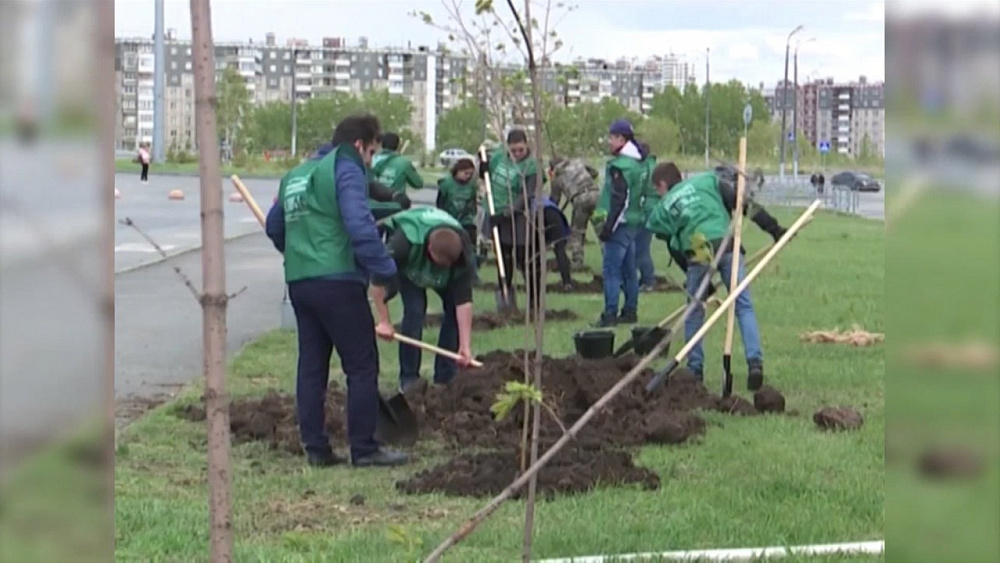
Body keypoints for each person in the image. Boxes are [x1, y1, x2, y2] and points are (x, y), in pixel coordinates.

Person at [264, 113, 408, 468]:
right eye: (371, 153)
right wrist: (386, 269)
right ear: (359, 145)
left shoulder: (297, 175)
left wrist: (300, 254)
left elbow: (274, 226)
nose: (370, 162)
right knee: (361, 365)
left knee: (312, 366)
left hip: (301, 281)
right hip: (338, 280)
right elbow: (359, 224)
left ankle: (315, 447)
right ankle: (364, 448)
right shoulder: (345, 166)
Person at [645, 161, 788, 391]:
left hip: (698, 251)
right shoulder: (707, 181)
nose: (659, 195)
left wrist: (701, 282)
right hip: (728, 246)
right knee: (743, 305)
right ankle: (755, 363)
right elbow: (744, 206)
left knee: (694, 311)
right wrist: (775, 230)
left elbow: (674, 246)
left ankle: (695, 369)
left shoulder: (662, 210)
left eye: (657, 190)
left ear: (662, 184)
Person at [370, 207, 477, 392]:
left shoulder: (464, 254)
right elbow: (378, 280)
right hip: (411, 268)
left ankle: (446, 376)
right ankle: (409, 378)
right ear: (429, 249)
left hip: (446, 272)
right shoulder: (403, 243)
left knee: (452, 312)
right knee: (415, 311)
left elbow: (463, 301)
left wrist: (465, 346)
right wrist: (384, 321)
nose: (439, 269)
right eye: (437, 264)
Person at [590, 119, 648, 327]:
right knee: (629, 271)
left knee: (611, 271)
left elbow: (618, 200)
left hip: (619, 224)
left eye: (612, 137)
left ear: (621, 139)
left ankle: (610, 313)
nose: (609, 141)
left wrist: (607, 228)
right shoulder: (638, 164)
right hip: (633, 223)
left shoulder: (620, 166)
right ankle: (630, 311)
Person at [480, 128, 546, 308]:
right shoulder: (499, 157)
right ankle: (506, 298)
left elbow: (527, 194)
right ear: (507, 148)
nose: (517, 154)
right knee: (503, 257)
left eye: (521, 150)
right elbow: (486, 177)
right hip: (495, 213)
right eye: (513, 150)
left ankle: (534, 302)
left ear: (527, 146)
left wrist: (507, 213)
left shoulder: (532, 166)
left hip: (519, 219)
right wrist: (482, 167)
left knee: (525, 260)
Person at [548, 156, 600, 270]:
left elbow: (554, 200)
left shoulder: (557, 177)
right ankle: (610, 259)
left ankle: (577, 261)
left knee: (577, 232)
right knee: (601, 229)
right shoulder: (578, 162)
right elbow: (595, 172)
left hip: (580, 200)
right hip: (596, 196)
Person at [369, 132, 425, 220]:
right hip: (395, 208)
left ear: (382, 144)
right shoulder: (403, 163)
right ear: (397, 146)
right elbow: (418, 183)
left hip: (374, 209)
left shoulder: (370, 159)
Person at [435, 157, 479, 248]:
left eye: (471, 174)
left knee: (469, 241)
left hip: (466, 220)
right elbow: (440, 203)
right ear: (457, 171)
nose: (468, 176)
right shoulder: (446, 184)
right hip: (449, 219)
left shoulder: (472, 185)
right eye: (465, 173)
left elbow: (473, 202)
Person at [634, 142, 659, 291]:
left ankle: (648, 280)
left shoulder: (644, 169)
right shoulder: (654, 166)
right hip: (652, 208)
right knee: (642, 246)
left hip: (646, 210)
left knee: (641, 246)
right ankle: (645, 279)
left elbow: (639, 189)